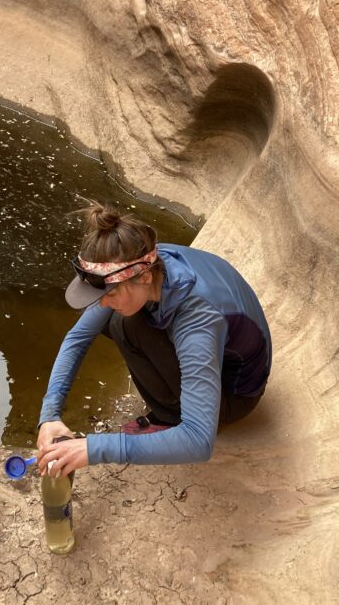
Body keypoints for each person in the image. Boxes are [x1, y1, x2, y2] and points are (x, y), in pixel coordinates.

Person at [37, 203, 271, 476]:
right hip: (215, 352)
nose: (102, 303)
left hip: (233, 394)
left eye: (110, 294)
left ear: (145, 277)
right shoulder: (144, 261)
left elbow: (198, 441)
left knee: (124, 323)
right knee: (116, 317)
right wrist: (50, 415)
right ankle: (168, 409)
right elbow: (78, 338)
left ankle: (170, 418)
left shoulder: (198, 320)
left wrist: (92, 448)